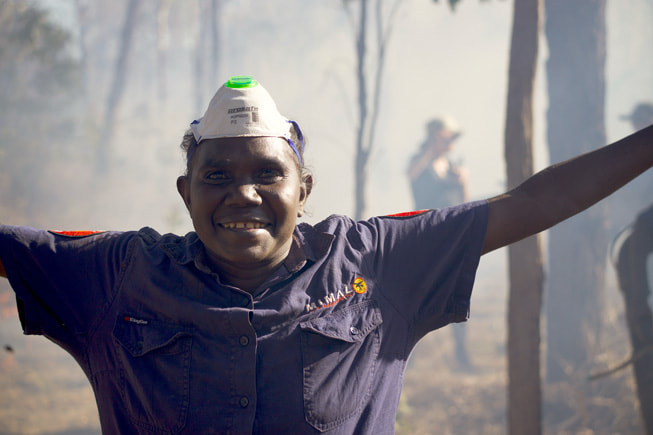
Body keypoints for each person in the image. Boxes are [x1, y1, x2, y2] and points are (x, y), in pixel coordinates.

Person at [0, 75, 651, 434]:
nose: (243, 193)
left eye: (266, 172)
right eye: (216, 175)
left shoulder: (375, 262)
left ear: (303, 189)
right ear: (185, 191)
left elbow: (535, 201)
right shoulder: (122, 273)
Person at [407, 117, 472, 369]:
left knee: (458, 295)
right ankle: (406, 359)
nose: (451, 143)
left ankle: (462, 358)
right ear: (435, 136)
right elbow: (410, 175)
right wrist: (429, 152)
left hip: (452, 239)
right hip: (424, 237)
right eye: (447, 137)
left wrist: (463, 182)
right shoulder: (420, 162)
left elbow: (463, 204)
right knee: (418, 298)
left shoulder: (454, 167)